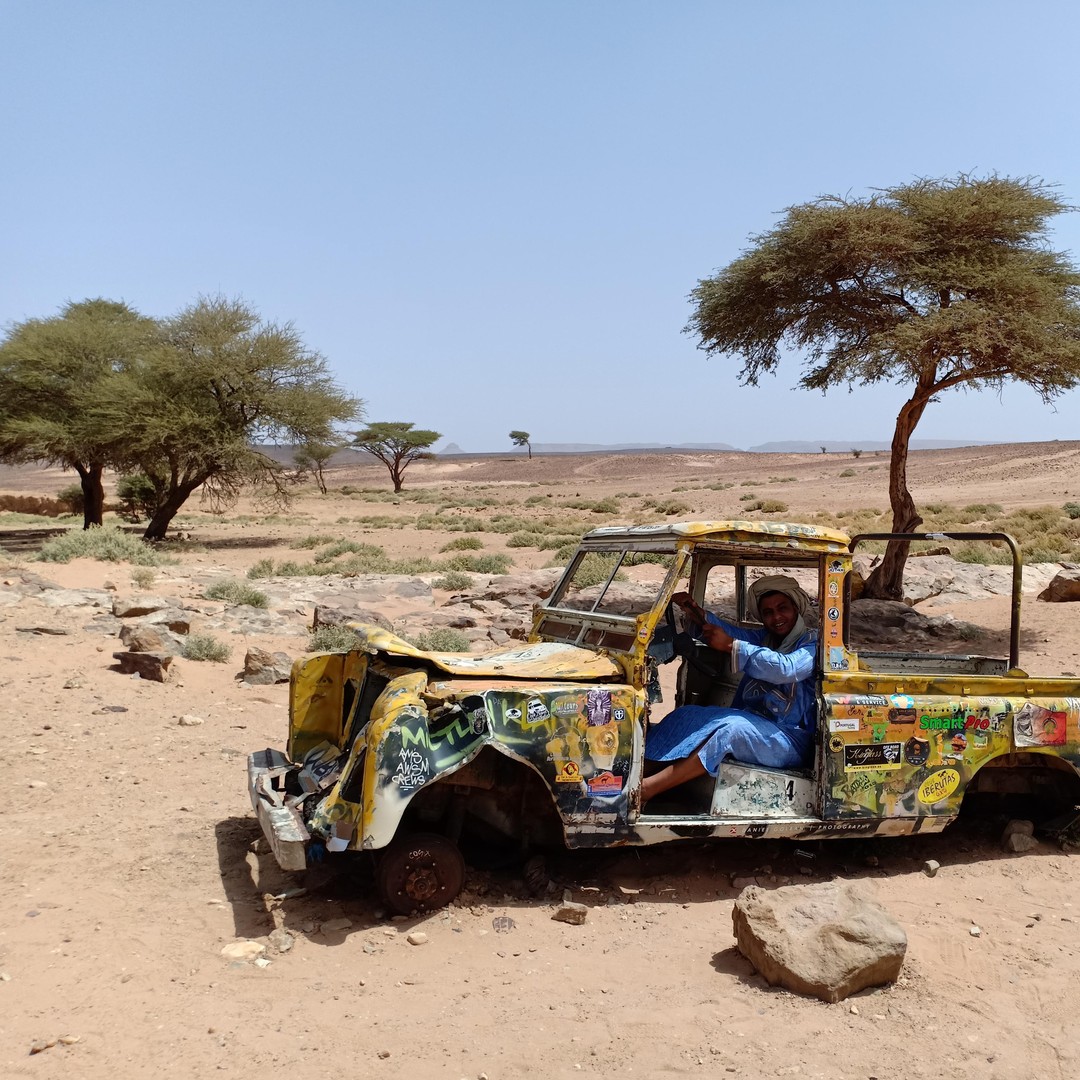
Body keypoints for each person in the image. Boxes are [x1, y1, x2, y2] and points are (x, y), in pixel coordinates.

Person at [641, 575, 817, 804]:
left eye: (782, 608)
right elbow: (731, 633)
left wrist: (732, 646)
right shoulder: (766, 638)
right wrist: (698, 614)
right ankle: (634, 773)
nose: (776, 617)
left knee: (731, 730)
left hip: (790, 740)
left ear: (796, 608)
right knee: (686, 714)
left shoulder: (812, 643)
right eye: (768, 612)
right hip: (757, 725)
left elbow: (786, 668)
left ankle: (646, 790)